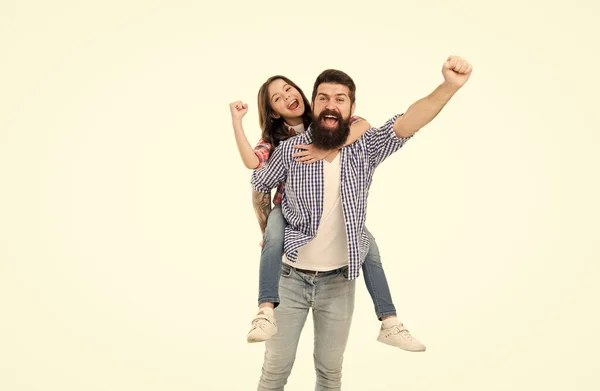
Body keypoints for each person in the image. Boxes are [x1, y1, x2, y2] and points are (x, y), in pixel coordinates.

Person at [250, 55, 472, 390]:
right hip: (290, 280)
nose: (330, 105)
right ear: (314, 103)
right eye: (323, 97)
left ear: (351, 106)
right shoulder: (292, 149)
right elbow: (259, 186)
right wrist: (269, 231)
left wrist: (449, 86)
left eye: (340, 99)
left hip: (338, 282)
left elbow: (410, 120)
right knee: (275, 372)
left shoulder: (364, 147)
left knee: (330, 372)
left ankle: (390, 322)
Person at [229, 76, 423, 352]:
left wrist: (328, 146)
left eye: (288, 89)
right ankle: (265, 309)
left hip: (329, 216)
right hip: (287, 209)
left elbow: (362, 125)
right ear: (273, 111)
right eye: (277, 98)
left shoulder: (321, 119)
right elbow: (255, 170)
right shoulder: (276, 140)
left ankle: (389, 320)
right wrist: (237, 122)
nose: (286, 97)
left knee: (368, 246)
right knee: (271, 240)